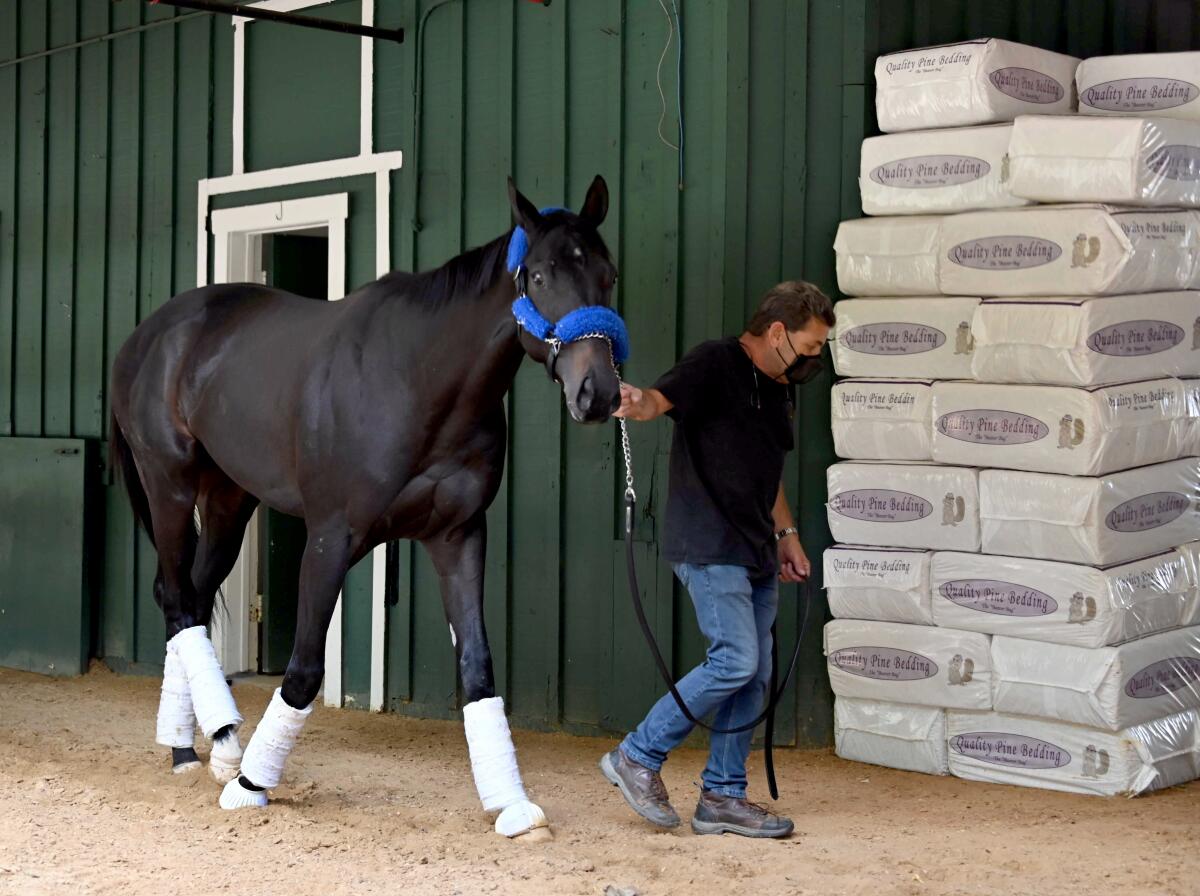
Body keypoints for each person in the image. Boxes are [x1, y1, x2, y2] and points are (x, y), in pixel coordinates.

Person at [599, 280, 835, 838]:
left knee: (753, 676)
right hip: (707, 540)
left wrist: (788, 534)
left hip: (755, 545)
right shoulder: (714, 362)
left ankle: (723, 798)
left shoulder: (780, 387)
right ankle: (637, 754)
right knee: (735, 660)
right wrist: (637, 403)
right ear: (777, 332)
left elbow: (767, 471)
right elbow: (660, 400)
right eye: (810, 348)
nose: (814, 361)